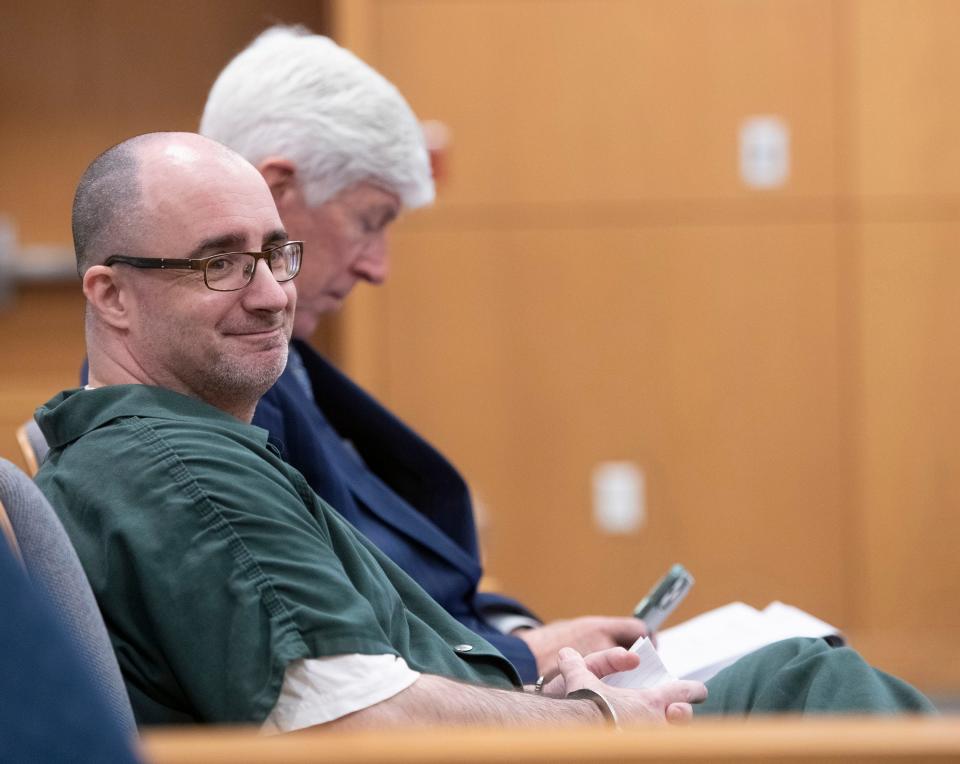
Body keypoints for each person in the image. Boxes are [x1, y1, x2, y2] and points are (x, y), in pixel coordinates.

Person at [36, 132, 935, 731]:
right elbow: (359, 720)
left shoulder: (173, 451)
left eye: (276, 253)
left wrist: (538, 679)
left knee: (801, 669)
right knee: (804, 684)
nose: (272, 293)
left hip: (505, 720)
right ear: (111, 295)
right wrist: (592, 719)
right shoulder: (175, 468)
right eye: (218, 263)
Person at [199, 24, 646, 684]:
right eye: (370, 221)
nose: (378, 267)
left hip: (480, 678)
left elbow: (415, 576)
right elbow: (350, 651)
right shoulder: (227, 386)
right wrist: (529, 657)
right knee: (804, 671)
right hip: (449, 710)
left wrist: (523, 636)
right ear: (278, 192)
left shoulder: (285, 368)